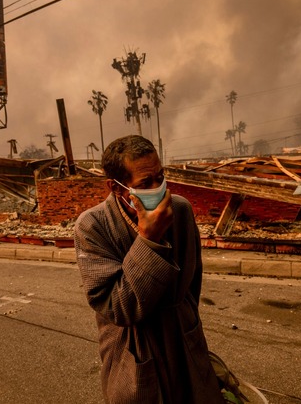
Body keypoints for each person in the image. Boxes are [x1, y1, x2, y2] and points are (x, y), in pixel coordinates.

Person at [74, 135, 224, 403]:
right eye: (145, 183)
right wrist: (148, 240)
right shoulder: (92, 226)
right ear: (116, 187)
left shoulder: (181, 210)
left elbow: (192, 284)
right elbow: (118, 307)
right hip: (133, 346)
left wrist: (185, 319)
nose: (158, 187)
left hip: (183, 337)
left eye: (160, 176)